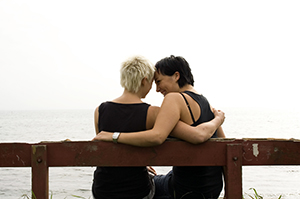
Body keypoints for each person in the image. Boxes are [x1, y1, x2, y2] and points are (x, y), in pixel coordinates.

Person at [92, 55, 225, 199]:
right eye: (153, 82)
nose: (156, 89)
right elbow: (224, 144)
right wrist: (218, 119)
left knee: (155, 181)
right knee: (154, 179)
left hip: (183, 189)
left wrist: (114, 135)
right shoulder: (206, 103)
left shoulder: (99, 110)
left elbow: (159, 135)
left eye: (159, 81)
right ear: (144, 81)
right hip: (210, 188)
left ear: (176, 76)